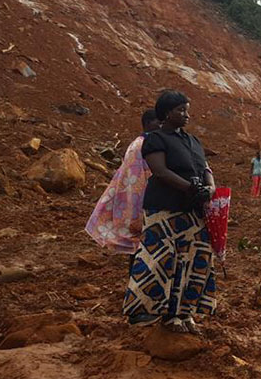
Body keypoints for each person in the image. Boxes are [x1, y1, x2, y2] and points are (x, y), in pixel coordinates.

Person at [123, 90, 217, 334]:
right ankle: (160, 314)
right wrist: (191, 188)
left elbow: (205, 168)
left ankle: (185, 313)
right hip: (164, 209)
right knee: (163, 261)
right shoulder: (155, 139)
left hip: (193, 211)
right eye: (180, 110)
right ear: (166, 113)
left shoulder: (193, 141)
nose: (186, 114)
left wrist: (210, 188)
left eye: (187, 109)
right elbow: (161, 171)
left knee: (194, 261)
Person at [85, 110, 161, 271]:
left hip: (140, 199)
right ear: (148, 124)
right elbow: (137, 179)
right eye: (158, 122)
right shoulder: (142, 145)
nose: (161, 126)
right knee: (141, 249)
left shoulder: (144, 143)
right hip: (141, 201)